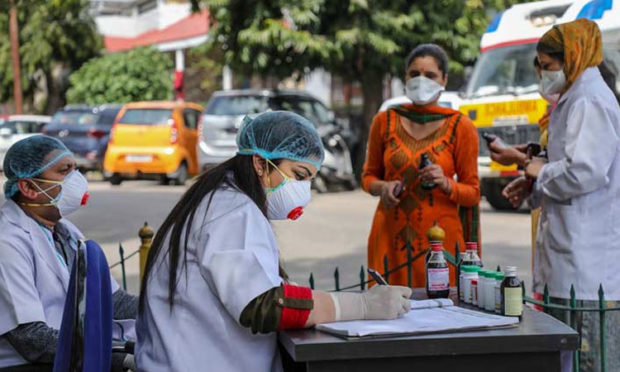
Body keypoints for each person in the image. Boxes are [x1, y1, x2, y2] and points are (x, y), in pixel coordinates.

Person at [136, 111, 412, 372]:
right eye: (299, 175)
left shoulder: (222, 198)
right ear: (259, 163)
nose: (304, 190)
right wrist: (361, 306)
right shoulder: (233, 211)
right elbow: (263, 305)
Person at [504, 19, 620, 372]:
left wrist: (540, 172)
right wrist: (535, 181)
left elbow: (585, 171)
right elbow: (565, 166)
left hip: (588, 267)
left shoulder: (590, 102)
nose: (545, 76)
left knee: (589, 361)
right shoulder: (574, 100)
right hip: (568, 258)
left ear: (573, 57)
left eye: (549, 67)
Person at [0, 135, 137, 371]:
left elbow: (112, 301)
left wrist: (162, 307)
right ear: (28, 187)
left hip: (73, 355)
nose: (77, 180)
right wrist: (116, 358)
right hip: (27, 365)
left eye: (76, 169)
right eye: (65, 171)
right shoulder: (7, 242)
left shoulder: (64, 231)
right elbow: (31, 339)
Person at [362, 44, 480, 287]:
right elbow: (367, 177)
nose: (421, 80)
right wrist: (382, 187)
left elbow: (473, 193)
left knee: (439, 313)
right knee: (389, 315)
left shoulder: (460, 126)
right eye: (414, 74)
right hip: (389, 240)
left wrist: (446, 183)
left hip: (440, 243)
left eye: (430, 75)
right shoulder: (384, 121)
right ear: (405, 77)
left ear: (444, 80)